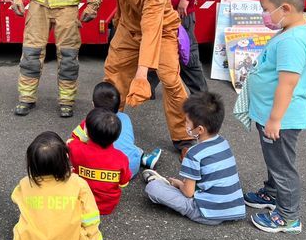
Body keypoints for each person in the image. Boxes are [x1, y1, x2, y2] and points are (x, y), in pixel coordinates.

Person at [93, 0, 191, 158]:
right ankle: (105, 131)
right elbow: (124, 0)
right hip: (128, 29)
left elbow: (151, 29)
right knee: (112, 76)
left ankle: (185, 137)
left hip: (162, 31)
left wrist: (141, 74)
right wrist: (115, 19)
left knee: (170, 79)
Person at [244, 0, 306, 234]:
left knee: (282, 166)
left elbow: (287, 84)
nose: (264, 15)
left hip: (281, 118)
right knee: (275, 161)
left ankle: (288, 217)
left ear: (285, 8)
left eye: (266, 10)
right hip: (275, 115)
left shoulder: (293, 41)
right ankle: (272, 193)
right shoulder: (292, 30)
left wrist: (275, 119)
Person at [12, 131, 116, 240]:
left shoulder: (25, 183)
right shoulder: (78, 184)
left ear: (31, 163)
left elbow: (15, 197)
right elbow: (90, 220)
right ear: (66, 157)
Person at [142, 92, 246, 225]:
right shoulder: (224, 143)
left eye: (187, 122)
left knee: (153, 188)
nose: (185, 124)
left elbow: (188, 193)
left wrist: (179, 184)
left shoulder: (193, 153)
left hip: (206, 213)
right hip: (234, 209)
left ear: (200, 129)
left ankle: (161, 183)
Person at [69, 81, 162, 177]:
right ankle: (145, 159)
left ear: (93, 105)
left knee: (89, 146)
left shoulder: (90, 121)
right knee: (130, 146)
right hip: (132, 167)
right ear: (118, 104)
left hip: (104, 171)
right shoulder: (125, 118)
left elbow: (73, 140)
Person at [68, 108, 131, 215]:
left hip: (81, 202)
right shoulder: (121, 158)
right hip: (108, 206)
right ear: (116, 137)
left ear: (87, 132)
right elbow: (123, 183)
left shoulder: (76, 149)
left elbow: (70, 141)